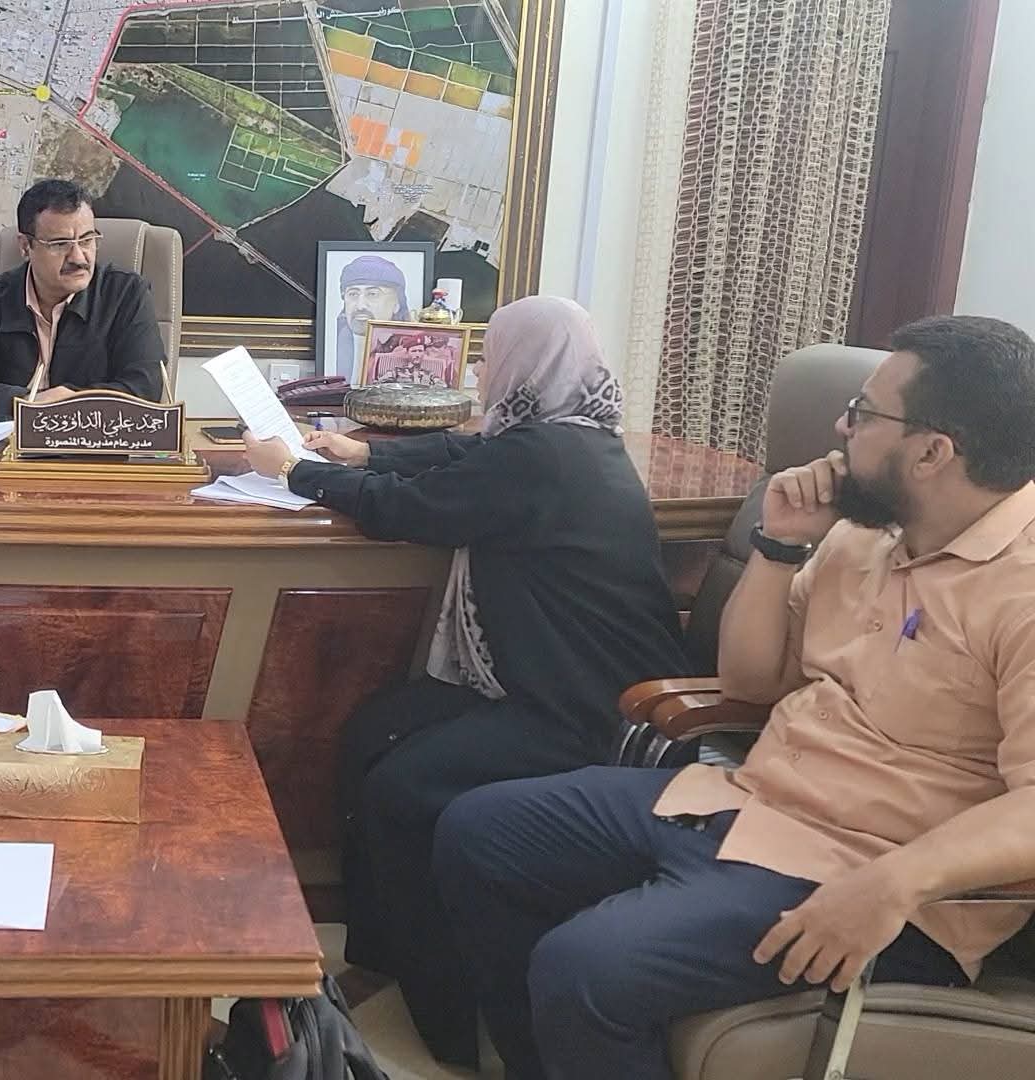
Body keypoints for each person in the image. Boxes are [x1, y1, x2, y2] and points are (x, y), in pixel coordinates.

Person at [434, 315, 1035, 1080]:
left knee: (586, 968)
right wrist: (779, 546)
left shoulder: (1022, 585)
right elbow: (752, 684)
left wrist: (895, 882)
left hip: (874, 875)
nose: (841, 427)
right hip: (755, 803)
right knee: (480, 832)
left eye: (864, 413)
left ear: (931, 452)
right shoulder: (867, 532)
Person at [243, 295, 691, 1070]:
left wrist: (298, 472)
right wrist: (363, 454)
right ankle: (386, 954)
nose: (483, 368)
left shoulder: (545, 457)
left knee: (403, 788)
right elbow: (463, 450)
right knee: (374, 729)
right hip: (543, 685)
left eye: (495, 354)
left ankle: (451, 1019)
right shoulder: (566, 437)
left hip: (591, 712)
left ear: (530, 366)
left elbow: (411, 510)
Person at [0, 178, 166, 421]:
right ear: (25, 246)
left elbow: (145, 387)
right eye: (60, 244)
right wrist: (25, 402)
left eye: (87, 240)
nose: (78, 257)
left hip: (92, 440)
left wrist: (71, 402)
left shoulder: (126, 295)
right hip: (7, 441)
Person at [333, 254, 412, 373]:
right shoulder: (333, 346)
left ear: (396, 304)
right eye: (353, 294)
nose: (360, 305)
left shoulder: (411, 348)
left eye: (372, 294)